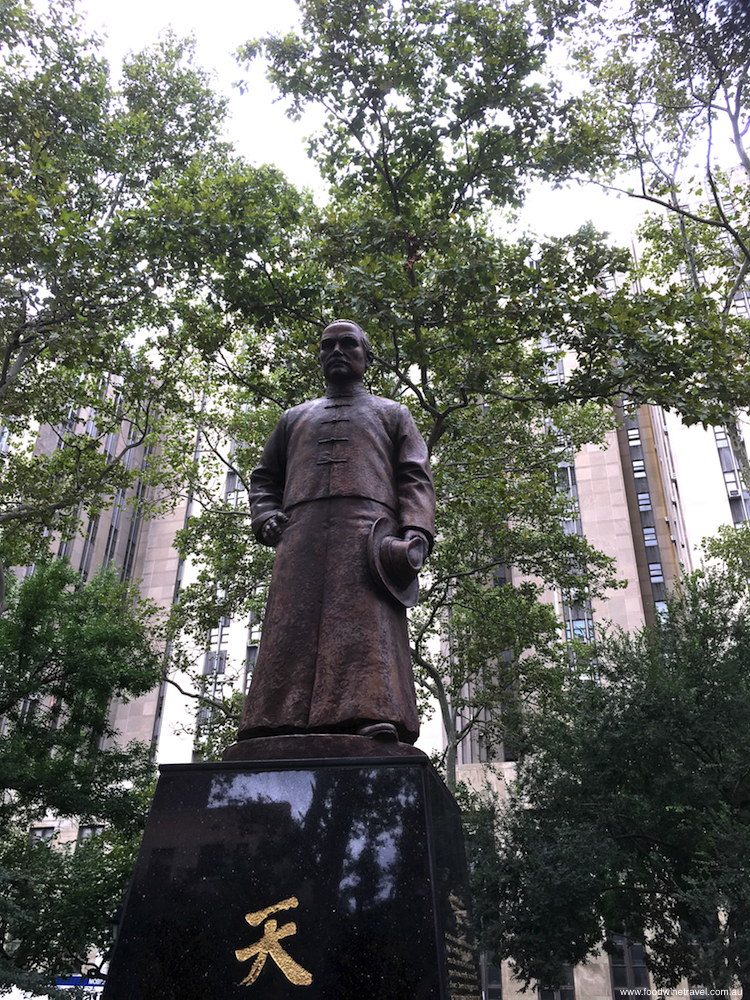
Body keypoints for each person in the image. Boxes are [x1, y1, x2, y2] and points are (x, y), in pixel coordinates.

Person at [236, 320, 435, 745]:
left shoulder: (392, 413)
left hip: (367, 536)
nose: (337, 351)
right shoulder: (294, 418)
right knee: (291, 626)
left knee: (366, 628)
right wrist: (265, 514)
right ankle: (276, 719)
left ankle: (371, 714)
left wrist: (416, 532)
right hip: (300, 536)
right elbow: (264, 477)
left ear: (367, 356)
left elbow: (414, 477)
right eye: (328, 346)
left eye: (348, 344)